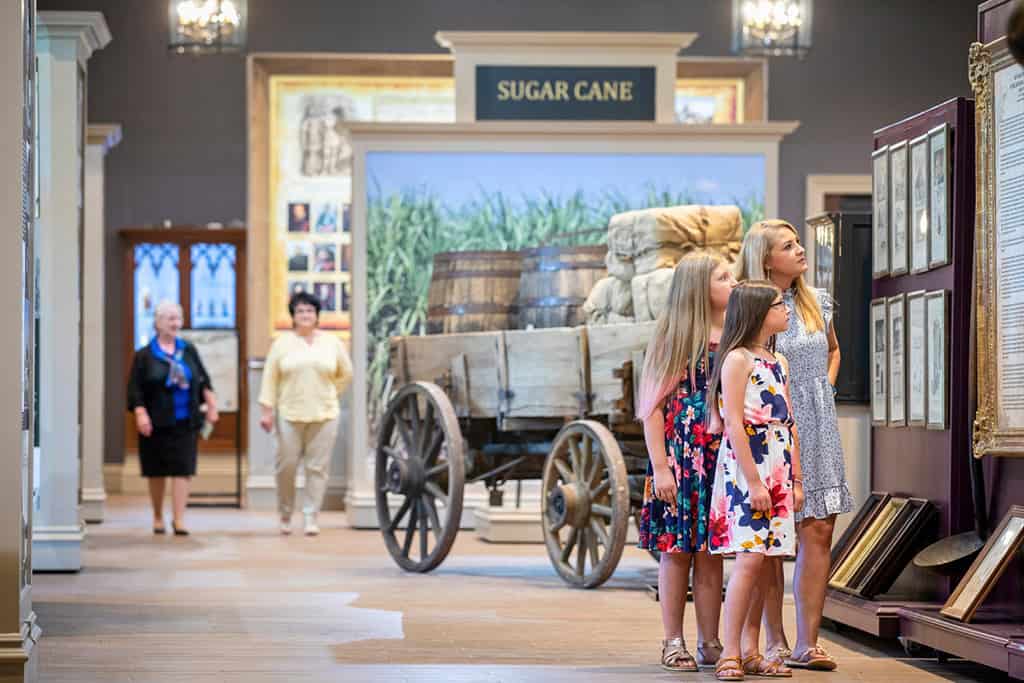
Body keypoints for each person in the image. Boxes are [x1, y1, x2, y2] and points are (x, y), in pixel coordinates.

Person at [738, 220, 852, 671]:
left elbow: (833, 349)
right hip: (774, 425)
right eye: (789, 246)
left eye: (798, 242)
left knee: (819, 529)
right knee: (772, 538)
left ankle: (809, 641)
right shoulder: (754, 305)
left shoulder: (816, 301)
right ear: (767, 260)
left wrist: (824, 390)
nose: (801, 250)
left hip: (819, 423)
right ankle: (775, 641)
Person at [636, 253, 735, 671]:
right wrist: (660, 466)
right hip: (680, 459)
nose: (734, 282)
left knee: (710, 553)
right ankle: (672, 640)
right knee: (676, 551)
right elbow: (652, 408)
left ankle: (710, 641)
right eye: (724, 276)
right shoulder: (675, 338)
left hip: (717, 457)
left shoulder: (733, 334)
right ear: (699, 288)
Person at [706, 281, 804, 681]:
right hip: (750, 466)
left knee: (767, 563)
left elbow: (789, 421)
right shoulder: (737, 359)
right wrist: (755, 483)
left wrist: (795, 479)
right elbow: (732, 422)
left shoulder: (778, 361)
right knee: (748, 559)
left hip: (778, 464)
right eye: (780, 305)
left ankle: (750, 649)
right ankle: (728, 650)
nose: (786, 311)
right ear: (759, 312)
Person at [258, 291, 353, 536]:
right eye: (300, 311)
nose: (305, 315)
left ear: (317, 315)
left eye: (309, 311)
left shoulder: (332, 342)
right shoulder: (282, 343)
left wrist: (332, 393)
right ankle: (286, 512)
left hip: (325, 414)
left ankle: (311, 515)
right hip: (289, 413)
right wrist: (267, 411)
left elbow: (346, 373)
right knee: (286, 467)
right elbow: (270, 378)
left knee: (317, 468)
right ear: (293, 316)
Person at [127, 301, 218, 536]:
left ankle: (179, 520)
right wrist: (140, 413)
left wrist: (211, 406)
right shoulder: (145, 355)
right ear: (157, 323)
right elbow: (135, 389)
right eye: (170, 319)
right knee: (156, 469)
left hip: (185, 419)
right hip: (155, 421)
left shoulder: (188, 350)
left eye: (178, 318)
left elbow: (203, 380)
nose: (175, 323)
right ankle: (158, 517)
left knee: (183, 469)